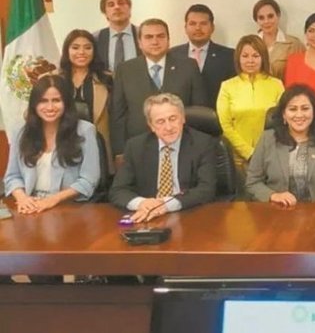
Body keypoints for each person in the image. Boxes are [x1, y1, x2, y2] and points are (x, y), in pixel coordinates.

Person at [111, 18, 209, 164]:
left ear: (168, 40)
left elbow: (199, 109)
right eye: (149, 37)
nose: (155, 41)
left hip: (183, 147)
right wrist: (119, 152)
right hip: (139, 149)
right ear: (139, 42)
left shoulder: (188, 66)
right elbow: (118, 115)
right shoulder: (125, 69)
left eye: (160, 36)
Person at [109, 93, 217, 223]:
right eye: (160, 121)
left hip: (189, 215)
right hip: (148, 216)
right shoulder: (136, 147)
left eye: (173, 118)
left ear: (183, 118)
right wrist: (142, 203)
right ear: (151, 125)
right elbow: (118, 190)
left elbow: (206, 189)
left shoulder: (203, 143)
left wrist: (166, 205)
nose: (168, 127)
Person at [3, 75, 100, 213]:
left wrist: (53, 200)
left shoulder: (85, 130)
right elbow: (12, 177)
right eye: (43, 101)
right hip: (31, 206)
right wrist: (23, 198)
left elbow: (89, 180)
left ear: (66, 103)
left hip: (70, 208)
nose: (50, 107)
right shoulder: (20, 132)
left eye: (56, 100)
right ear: (34, 104)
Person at [245, 84, 315, 205]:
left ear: (314, 112)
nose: (299, 115)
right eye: (293, 109)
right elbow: (252, 182)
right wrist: (273, 195)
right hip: (277, 211)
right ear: (284, 114)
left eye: (305, 108)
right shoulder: (267, 139)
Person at [217, 35, 285, 191]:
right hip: (238, 160)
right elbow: (225, 125)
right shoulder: (227, 86)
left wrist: (262, 154)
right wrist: (249, 152)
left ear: (263, 58)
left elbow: (282, 121)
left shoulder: (277, 85)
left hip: (271, 157)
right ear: (238, 58)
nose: (250, 60)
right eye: (245, 56)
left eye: (255, 56)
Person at [57, 29, 114, 170]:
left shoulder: (108, 79)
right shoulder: (53, 79)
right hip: (61, 144)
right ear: (67, 51)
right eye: (75, 47)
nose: (81, 52)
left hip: (98, 146)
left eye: (88, 47)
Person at [171, 4, 235, 104]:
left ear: (212, 27)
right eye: (192, 23)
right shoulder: (172, 55)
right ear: (185, 28)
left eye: (203, 23)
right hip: (180, 112)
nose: (198, 28)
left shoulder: (230, 56)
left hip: (217, 112)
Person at [252, 0, 304, 80]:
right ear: (256, 21)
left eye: (270, 16)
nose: (266, 21)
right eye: (261, 18)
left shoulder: (294, 44)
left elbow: (302, 75)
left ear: (278, 16)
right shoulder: (250, 44)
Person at [94, 0, 140, 72]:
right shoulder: (96, 38)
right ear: (105, 12)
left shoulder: (142, 34)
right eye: (111, 5)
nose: (117, 7)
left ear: (129, 8)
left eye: (121, 3)